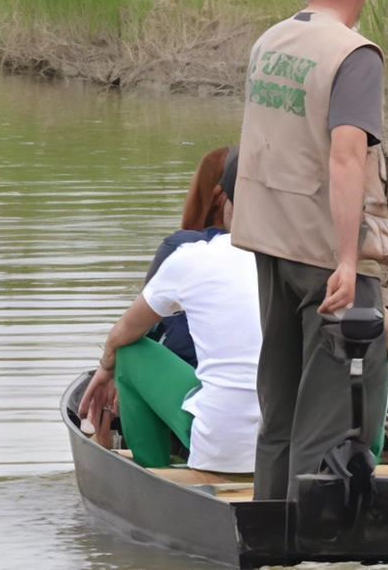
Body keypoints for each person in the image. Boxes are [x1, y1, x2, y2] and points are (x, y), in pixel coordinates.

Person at [232, 0, 388, 501]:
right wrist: (345, 258)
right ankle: (309, 551)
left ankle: (266, 538)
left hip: (271, 247)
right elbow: (344, 156)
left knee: (281, 414)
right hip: (327, 258)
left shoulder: (270, 42)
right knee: (326, 423)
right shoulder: (355, 56)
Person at [78, 150, 262, 472]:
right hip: (298, 448)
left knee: (129, 350)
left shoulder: (191, 255)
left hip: (224, 449)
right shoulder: (309, 264)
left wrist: (107, 365)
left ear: (224, 200)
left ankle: (153, 474)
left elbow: (125, 332)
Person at [143, 145, 235, 368]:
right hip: (268, 382)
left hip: (192, 374)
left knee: (126, 347)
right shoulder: (288, 252)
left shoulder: (182, 246)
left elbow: (138, 328)